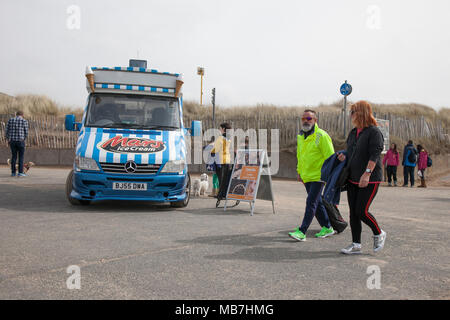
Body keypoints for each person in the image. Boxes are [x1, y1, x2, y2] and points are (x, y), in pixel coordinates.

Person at [337, 101, 386, 254]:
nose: (351, 115)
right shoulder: (353, 132)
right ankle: (356, 244)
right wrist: (343, 157)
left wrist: (367, 174)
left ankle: (379, 233)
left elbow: (375, 154)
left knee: (362, 211)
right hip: (352, 178)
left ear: (362, 113)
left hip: (369, 178)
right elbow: (351, 152)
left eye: (353, 112)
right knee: (353, 213)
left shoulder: (374, 132)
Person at [288, 109, 336, 242]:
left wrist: (328, 175)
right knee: (317, 202)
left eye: (309, 119)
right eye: (303, 118)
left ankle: (302, 231)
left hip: (319, 176)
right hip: (306, 175)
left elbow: (330, 157)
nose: (305, 121)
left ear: (315, 120)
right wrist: (299, 171)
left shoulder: (321, 136)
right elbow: (300, 155)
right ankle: (327, 227)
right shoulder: (301, 136)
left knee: (311, 202)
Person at [212, 123, 232, 201]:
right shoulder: (229, 139)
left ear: (223, 129)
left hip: (220, 161)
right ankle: (224, 194)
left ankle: (220, 195)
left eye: (220, 128)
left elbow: (215, 149)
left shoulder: (220, 138)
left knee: (221, 179)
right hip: (227, 160)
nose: (219, 130)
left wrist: (211, 151)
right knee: (225, 179)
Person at [5, 110, 29, 177]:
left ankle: (13, 173)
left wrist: (8, 139)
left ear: (16, 114)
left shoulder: (10, 120)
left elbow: (6, 130)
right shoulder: (24, 121)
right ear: (22, 115)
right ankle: (20, 173)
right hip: (21, 141)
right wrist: (24, 139)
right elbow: (26, 132)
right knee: (21, 157)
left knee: (14, 156)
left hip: (12, 141)